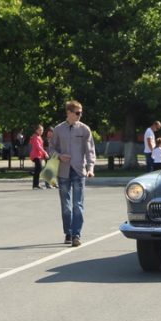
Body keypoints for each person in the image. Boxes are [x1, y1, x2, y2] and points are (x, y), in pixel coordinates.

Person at [49, 101, 96, 247]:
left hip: (79, 171)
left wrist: (90, 168)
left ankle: (76, 235)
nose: (80, 115)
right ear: (68, 112)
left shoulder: (84, 129)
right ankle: (68, 232)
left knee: (78, 204)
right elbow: (51, 149)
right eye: (77, 113)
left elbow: (90, 151)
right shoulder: (58, 129)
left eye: (81, 113)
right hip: (63, 171)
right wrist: (59, 156)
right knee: (66, 206)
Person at [29, 124, 48, 190]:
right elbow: (38, 146)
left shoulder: (39, 137)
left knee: (38, 169)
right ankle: (35, 184)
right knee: (39, 169)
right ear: (36, 130)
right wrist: (45, 153)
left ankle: (35, 184)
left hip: (39, 155)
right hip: (36, 155)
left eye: (42, 130)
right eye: (40, 130)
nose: (41, 131)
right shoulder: (36, 137)